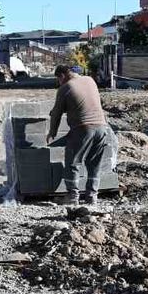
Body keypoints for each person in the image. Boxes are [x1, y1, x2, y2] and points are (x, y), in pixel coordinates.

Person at [46, 65, 116, 205]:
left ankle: (72, 197)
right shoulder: (90, 80)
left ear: (62, 76)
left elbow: (56, 113)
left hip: (83, 128)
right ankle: (92, 196)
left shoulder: (65, 88)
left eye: (58, 79)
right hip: (102, 127)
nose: (58, 82)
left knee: (73, 163)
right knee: (94, 164)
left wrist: (52, 132)